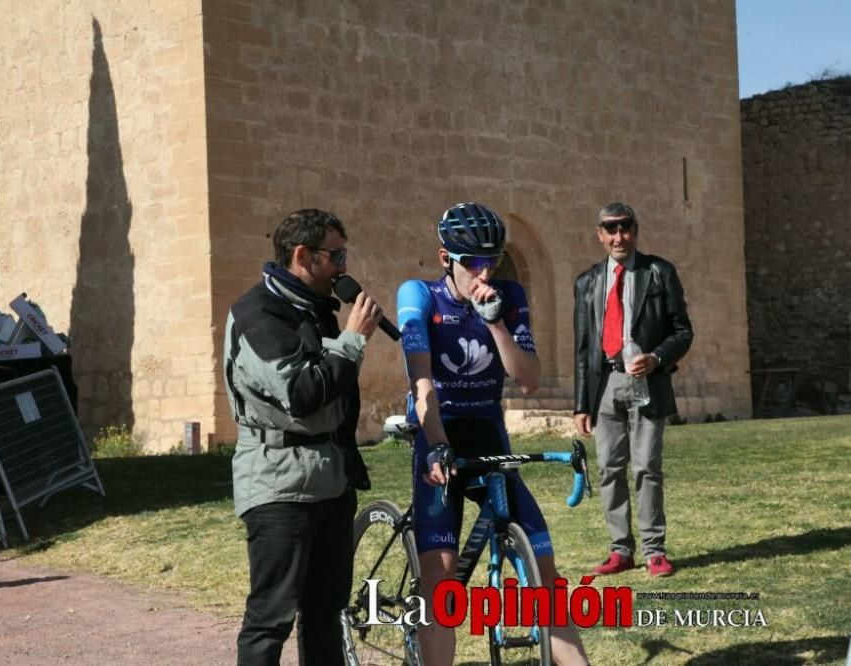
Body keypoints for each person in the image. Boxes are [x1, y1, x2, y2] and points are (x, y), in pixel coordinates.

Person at [397, 202, 589, 666]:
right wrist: (437, 444)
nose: (483, 271)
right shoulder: (419, 295)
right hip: (437, 428)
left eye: (492, 260)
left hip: (487, 432)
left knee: (545, 573)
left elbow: (528, 380)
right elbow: (421, 381)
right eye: (471, 262)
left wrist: (496, 322)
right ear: (446, 258)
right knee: (441, 579)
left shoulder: (508, 293)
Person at [224, 208, 385, 665]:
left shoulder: (313, 309)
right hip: (279, 488)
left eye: (344, 254)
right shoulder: (257, 313)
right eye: (336, 255)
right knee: (270, 619)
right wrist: (352, 341)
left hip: (329, 481)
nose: (343, 266)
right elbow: (301, 392)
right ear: (302, 255)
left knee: (325, 614)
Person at [573, 202, 694, 578]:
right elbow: (581, 346)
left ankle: (654, 551)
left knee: (646, 467)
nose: (618, 236)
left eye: (625, 228)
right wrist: (581, 404)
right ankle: (620, 550)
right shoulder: (587, 282)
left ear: (636, 231)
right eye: (610, 229)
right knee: (609, 468)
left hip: (647, 381)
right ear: (600, 235)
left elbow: (682, 331)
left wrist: (657, 358)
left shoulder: (659, 272)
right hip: (604, 383)